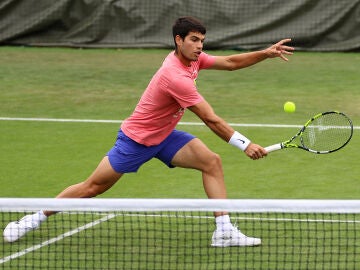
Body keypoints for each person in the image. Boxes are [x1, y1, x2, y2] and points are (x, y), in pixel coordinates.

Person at [3, 17, 294, 247]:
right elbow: (211, 119)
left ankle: (224, 231)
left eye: (202, 41)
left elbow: (230, 63)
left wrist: (265, 54)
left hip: (165, 136)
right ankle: (35, 217)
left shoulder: (192, 60)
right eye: (194, 40)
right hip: (136, 141)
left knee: (211, 162)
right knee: (92, 187)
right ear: (178, 40)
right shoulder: (175, 77)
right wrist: (244, 144)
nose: (200, 46)